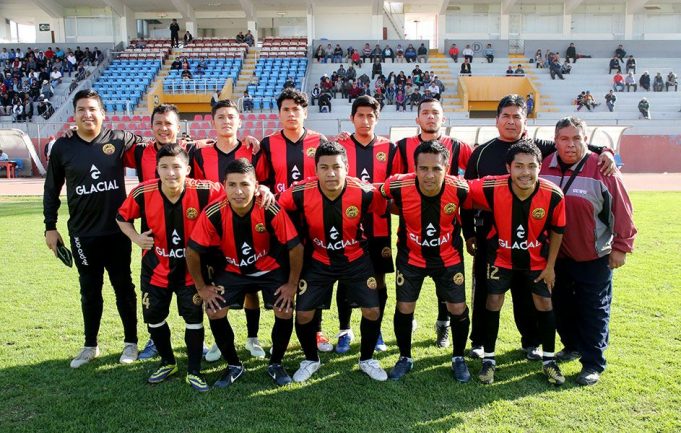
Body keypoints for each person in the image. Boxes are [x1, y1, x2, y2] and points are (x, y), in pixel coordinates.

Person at [462, 95, 616, 361]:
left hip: (532, 238)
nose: (511, 121)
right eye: (506, 116)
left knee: (527, 292)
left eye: (517, 116)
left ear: (525, 120)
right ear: (497, 120)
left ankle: (531, 342)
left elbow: (576, 144)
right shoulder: (482, 152)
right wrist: (470, 233)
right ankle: (480, 341)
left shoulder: (540, 147)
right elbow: (466, 196)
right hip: (491, 239)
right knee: (487, 292)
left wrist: (606, 151)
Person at [186, 158, 303, 387]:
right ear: (224, 185)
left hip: (269, 268)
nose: (238, 191)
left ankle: (276, 363)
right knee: (215, 310)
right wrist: (202, 288)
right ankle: (233, 365)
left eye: (245, 184)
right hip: (232, 270)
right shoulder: (213, 212)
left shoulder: (268, 207)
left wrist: (291, 285)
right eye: (232, 185)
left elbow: (295, 246)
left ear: (256, 185)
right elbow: (192, 252)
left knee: (284, 308)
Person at [43, 89, 139, 368]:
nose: (87, 114)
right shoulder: (63, 147)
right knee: (89, 290)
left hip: (118, 232)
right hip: (83, 235)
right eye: (82, 109)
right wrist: (50, 227)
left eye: (92, 109)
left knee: (124, 287)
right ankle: (90, 345)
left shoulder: (118, 139)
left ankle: (130, 343)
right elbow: (51, 190)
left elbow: (155, 147)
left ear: (103, 113)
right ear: (74, 114)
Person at [278, 141, 388, 382]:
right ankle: (310, 359)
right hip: (318, 259)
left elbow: (384, 206)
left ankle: (367, 359)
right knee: (305, 314)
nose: (330, 173)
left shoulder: (363, 191)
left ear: (346, 168)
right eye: (324, 167)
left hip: (357, 259)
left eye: (336, 167)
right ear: (315, 170)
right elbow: (276, 207)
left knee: (371, 310)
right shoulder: (300, 192)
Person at [116, 143, 222, 392]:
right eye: (164, 167)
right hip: (155, 270)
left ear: (187, 169)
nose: (171, 173)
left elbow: (236, 193)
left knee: (193, 319)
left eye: (176, 167)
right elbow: (122, 218)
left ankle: (194, 370)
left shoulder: (206, 190)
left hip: (191, 272)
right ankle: (168, 361)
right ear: (157, 169)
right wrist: (136, 238)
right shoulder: (143, 192)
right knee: (153, 318)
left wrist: (260, 188)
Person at [540, 116, 636, 386]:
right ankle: (571, 346)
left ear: (585, 140)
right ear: (555, 141)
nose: (570, 145)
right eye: (564, 139)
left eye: (577, 139)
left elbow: (623, 210)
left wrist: (621, 247)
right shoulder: (543, 165)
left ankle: (593, 363)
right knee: (561, 305)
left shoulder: (602, 168)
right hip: (555, 258)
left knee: (594, 309)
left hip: (593, 256)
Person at [467, 140, 567, 386]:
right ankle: (489, 360)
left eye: (531, 166)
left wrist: (551, 266)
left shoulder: (553, 194)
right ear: (508, 168)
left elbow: (557, 231)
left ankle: (549, 360)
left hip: (536, 261)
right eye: (519, 166)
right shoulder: (490, 186)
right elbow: (460, 189)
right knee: (493, 301)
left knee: (544, 303)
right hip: (500, 258)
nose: (525, 172)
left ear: (539, 167)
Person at [381, 141, 472, 382]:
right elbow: (369, 192)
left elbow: (483, 201)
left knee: (457, 308)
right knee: (404, 308)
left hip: (448, 258)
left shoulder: (460, 188)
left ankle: (458, 358)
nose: (429, 175)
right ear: (415, 168)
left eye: (436, 169)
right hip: (411, 258)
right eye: (423, 169)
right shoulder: (399, 184)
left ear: (447, 167)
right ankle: (405, 357)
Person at [190, 99, 273, 361]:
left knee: (250, 287)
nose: (226, 121)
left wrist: (267, 189)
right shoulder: (200, 153)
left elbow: (264, 183)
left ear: (239, 121)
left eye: (231, 117)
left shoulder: (253, 150)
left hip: (249, 228)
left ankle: (252, 338)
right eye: (221, 117)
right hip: (214, 230)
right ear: (212, 122)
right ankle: (217, 341)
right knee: (215, 284)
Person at [258, 89, 333, 351]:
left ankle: (317, 331)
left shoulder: (319, 140)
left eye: (296, 109)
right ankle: (284, 330)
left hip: (313, 218)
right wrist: (265, 188)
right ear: (279, 114)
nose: (291, 114)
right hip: (279, 219)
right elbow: (262, 180)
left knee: (315, 273)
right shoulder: (267, 143)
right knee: (284, 273)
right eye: (286, 109)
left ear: (305, 112)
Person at [334, 96, 399, 354]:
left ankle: (376, 328)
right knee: (344, 278)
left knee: (379, 279)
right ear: (352, 118)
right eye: (360, 115)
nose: (365, 120)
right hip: (344, 226)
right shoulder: (339, 146)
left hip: (379, 226)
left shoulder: (390, 148)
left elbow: (395, 186)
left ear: (377, 118)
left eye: (370, 115)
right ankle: (344, 330)